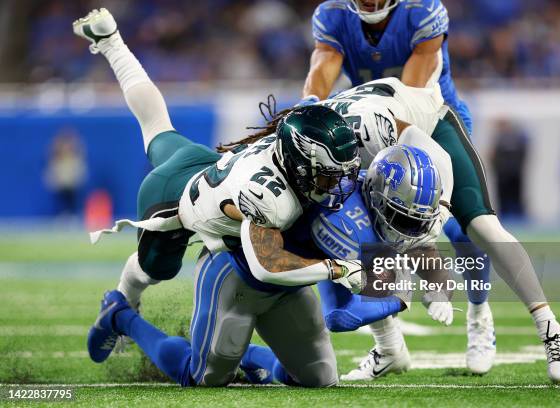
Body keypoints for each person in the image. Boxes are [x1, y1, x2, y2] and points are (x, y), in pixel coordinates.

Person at [74, 9, 368, 387]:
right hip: (174, 195)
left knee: (157, 125)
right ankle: (119, 308)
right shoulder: (267, 197)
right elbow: (267, 265)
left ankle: (111, 40)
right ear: (301, 165)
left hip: (210, 166)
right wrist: (337, 269)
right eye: (327, 175)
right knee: (154, 270)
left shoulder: (292, 152)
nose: (335, 184)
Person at [312, 76, 560, 382]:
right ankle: (389, 348)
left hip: (430, 129)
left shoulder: (372, 130)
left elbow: (439, 158)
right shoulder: (327, 167)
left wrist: (439, 215)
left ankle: (549, 329)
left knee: (480, 227)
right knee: (357, 233)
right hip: (372, 149)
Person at [300, 0, 497, 374]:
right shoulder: (333, 14)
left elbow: (409, 94)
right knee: (361, 224)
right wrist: (311, 102)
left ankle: (479, 315)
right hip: (372, 124)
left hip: (433, 121)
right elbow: (324, 62)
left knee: (461, 225)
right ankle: (388, 345)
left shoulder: (422, 12)